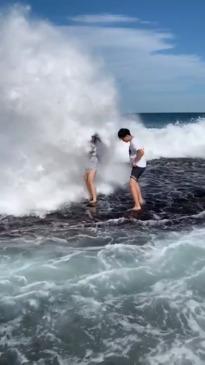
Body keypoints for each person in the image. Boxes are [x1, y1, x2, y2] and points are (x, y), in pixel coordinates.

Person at [118, 128, 146, 211]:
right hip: (139, 166)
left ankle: (137, 205)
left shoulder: (134, 142)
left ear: (127, 136)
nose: (123, 140)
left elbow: (141, 152)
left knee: (131, 184)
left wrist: (135, 161)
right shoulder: (134, 141)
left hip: (139, 166)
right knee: (135, 182)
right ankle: (140, 200)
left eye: (123, 138)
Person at [84, 133, 104, 206]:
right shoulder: (86, 142)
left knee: (90, 180)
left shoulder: (94, 144)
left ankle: (94, 199)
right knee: (86, 179)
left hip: (93, 161)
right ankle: (91, 196)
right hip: (88, 161)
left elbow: (90, 151)